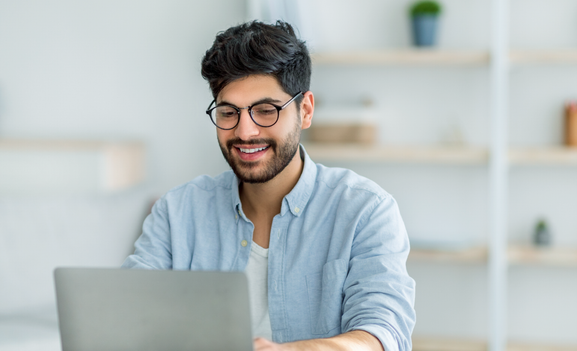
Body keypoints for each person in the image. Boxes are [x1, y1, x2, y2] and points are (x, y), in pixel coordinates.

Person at [122, 20, 415, 351]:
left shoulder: (365, 209)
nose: (245, 132)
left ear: (305, 111)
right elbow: (129, 316)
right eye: (229, 112)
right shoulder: (177, 212)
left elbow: (382, 334)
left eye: (266, 111)